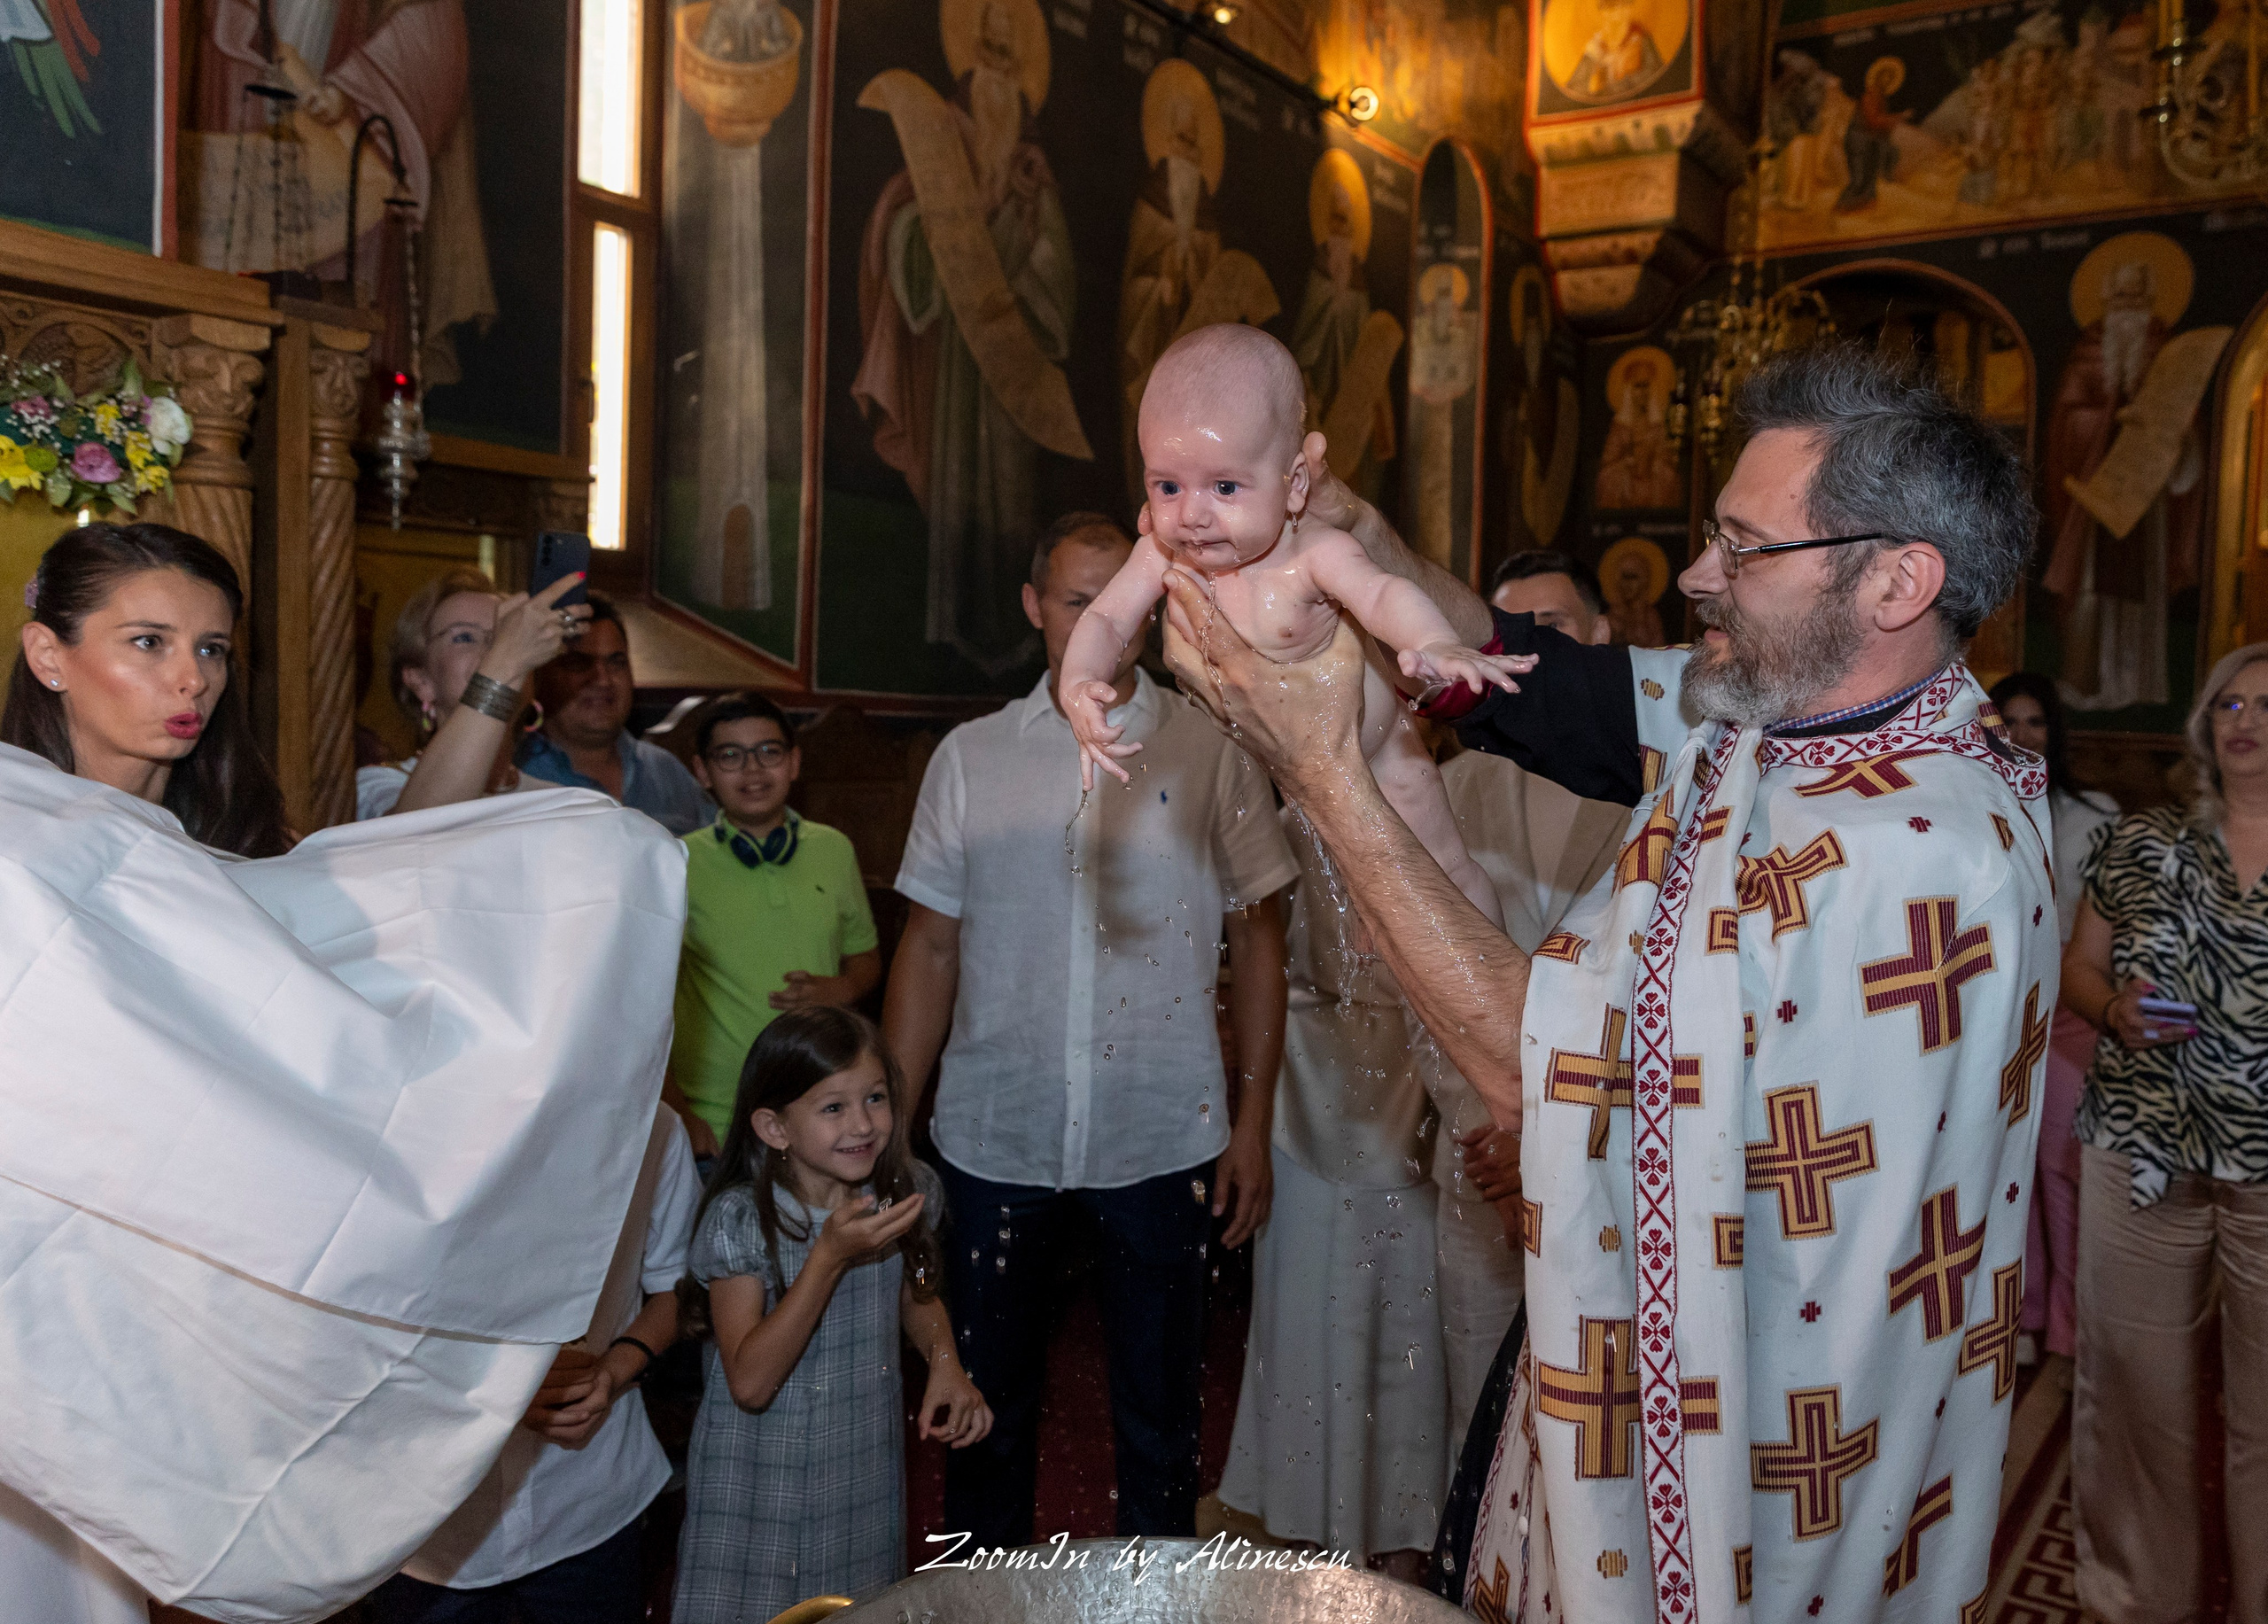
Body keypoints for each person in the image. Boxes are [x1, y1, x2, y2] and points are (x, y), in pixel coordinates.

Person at [1156, 346, 2054, 1621]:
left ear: (1900, 580)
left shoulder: (1905, 854)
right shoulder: (1789, 727)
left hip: (1762, 1422)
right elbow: (1545, 686)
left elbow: (1547, 1068)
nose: (1697, 577)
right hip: (1661, 1319)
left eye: (1744, 550)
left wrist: (1321, 768)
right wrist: (1356, 531)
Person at [1, 524, 686, 1621]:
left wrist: (504, 680)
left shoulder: (213, 839)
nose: (190, 678)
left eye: (214, 650)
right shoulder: (16, 846)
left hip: (203, 1293)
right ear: (47, 654)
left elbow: (389, 895)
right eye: (148, 641)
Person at [883, 508, 1298, 1547]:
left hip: (1163, 1133)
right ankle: (982, 1608)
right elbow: (929, 949)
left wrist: (1252, 1126)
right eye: (1078, 600)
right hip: (995, 1131)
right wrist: (888, 1127)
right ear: (1036, 609)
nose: (1104, 620)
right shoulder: (972, 759)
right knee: (985, 1414)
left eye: (1125, 597)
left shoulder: (1209, 749)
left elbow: (1258, 936)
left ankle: (1157, 1606)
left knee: (1162, 1424)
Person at [1060, 323, 1528, 930]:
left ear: (1295, 484)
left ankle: (1486, 988)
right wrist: (1079, 684)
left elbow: (1383, 592)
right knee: (1367, 902)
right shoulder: (1161, 554)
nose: (1193, 513)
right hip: (1287, 755)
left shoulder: (1311, 553)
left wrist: (1433, 640)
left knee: (1446, 864)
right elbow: (1105, 617)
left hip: (1380, 739)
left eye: (1225, 486)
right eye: (1168, 485)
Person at [2061, 643, 2268, 1624]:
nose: (2245, 721)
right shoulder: (2140, 841)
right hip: (2136, 1148)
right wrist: (2114, 1013)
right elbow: (2079, 968)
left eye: (2267, 706)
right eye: (2227, 702)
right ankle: (2139, 1602)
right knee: (2140, 1403)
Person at [672, 1010, 988, 1622]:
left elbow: (916, 1293)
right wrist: (829, 1257)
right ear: (774, 1126)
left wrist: (945, 1361)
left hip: (858, 1470)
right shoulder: (743, 1220)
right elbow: (750, 1381)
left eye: (874, 1097)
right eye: (833, 1108)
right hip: (757, 1483)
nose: (864, 1123)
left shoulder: (903, 1192)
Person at [1422, 553, 1625, 1457]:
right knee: (1482, 1413)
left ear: (1602, 638)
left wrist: (1552, 1140)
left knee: (1594, 1428)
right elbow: (1424, 971)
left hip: (1613, 1162)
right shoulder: (1452, 789)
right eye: (1513, 639)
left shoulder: (1666, 791)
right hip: (1480, 1169)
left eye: (1560, 631)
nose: (1536, 659)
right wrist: (1489, 1126)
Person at [1215, 808, 1447, 1573]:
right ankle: (1315, 1531)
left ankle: (1409, 1538)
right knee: (1313, 1322)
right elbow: (1255, 945)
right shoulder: (1290, 821)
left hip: (1421, 1085)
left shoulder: (1449, 805)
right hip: (1311, 1085)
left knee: (1411, 1330)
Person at [369, 1105, 697, 1624]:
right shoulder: (412, 1121)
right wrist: (500, 1393)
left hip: (589, 1496)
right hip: (431, 1521)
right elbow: (363, 1317)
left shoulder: (654, 1125)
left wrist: (613, 1370)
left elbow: (674, 1284)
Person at [667, 692, 882, 1156]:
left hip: (821, 1115)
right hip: (717, 1118)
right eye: (730, 756)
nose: (753, 770)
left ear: (794, 762)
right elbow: (646, 1003)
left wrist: (842, 989)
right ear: (702, 772)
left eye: (769, 752)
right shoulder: (675, 862)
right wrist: (681, 1112)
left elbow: (865, 959)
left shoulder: (835, 849)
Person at [1989, 671, 2119, 1365]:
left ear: (2056, 732)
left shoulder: (2092, 813)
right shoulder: (1969, 805)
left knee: (2063, 1169)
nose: (2021, 735)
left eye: (2036, 722)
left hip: (2068, 1010)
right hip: (1993, 1008)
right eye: (2008, 720)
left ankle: (2072, 1328)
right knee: (1999, 1168)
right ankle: (2021, 1315)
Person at [357, 563, 589, 820]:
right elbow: (416, 834)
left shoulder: (557, 803)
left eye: (503, 636)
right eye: (465, 637)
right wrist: (504, 665)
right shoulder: (378, 787)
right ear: (421, 681)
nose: (495, 651)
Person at [517, 591, 712, 835]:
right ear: (542, 676)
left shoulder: (665, 771)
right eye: (580, 663)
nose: (603, 679)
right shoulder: (516, 774)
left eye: (616, 662)